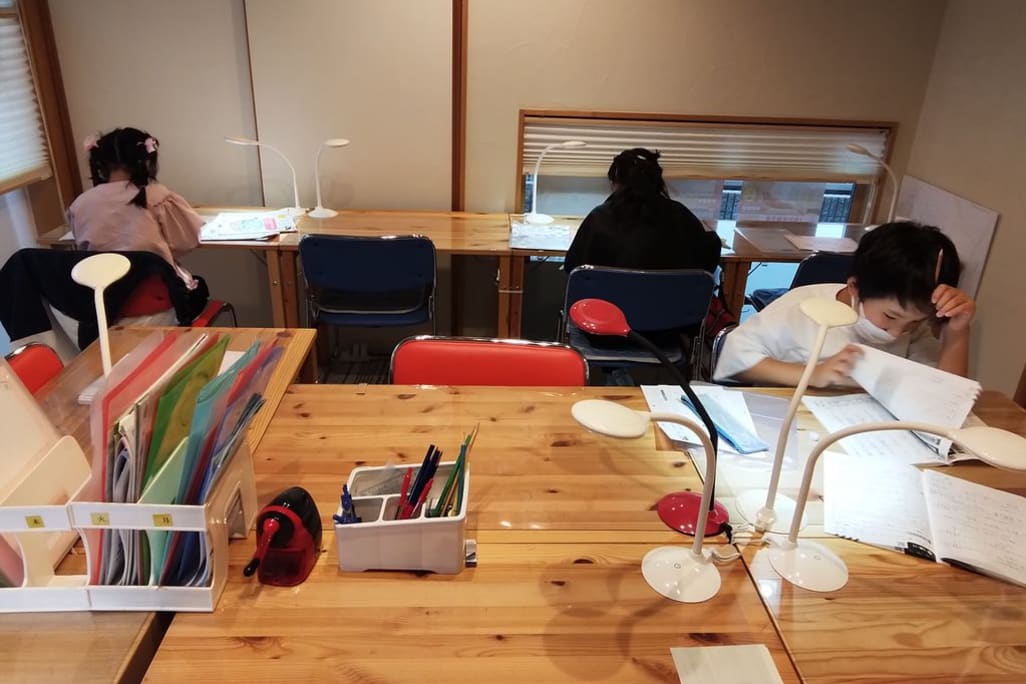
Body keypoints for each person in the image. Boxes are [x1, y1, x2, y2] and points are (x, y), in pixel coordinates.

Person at [713, 221, 975, 387]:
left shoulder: (916, 328)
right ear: (855, 288)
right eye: (890, 317)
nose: (897, 333)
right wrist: (813, 374)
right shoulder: (803, 308)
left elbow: (946, 394)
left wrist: (957, 333)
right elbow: (734, 357)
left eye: (914, 323)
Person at [67, 127, 204, 288]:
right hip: (156, 293)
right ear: (145, 161)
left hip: (104, 295)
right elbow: (187, 241)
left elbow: (82, 245)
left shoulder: (81, 203)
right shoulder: (157, 196)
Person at [563, 148, 721, 273]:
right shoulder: (679, 214)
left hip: (609, 303)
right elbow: (709, 256)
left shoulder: (600, 217)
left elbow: (573, 267)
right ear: (658, 182)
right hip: (671, 303)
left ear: (615, 182)